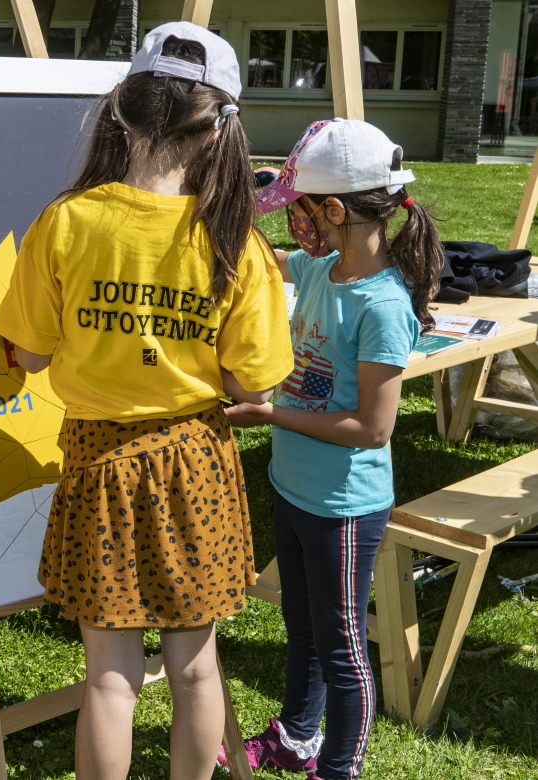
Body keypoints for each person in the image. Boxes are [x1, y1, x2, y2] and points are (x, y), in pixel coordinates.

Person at [0, 22, 293, 780]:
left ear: (121, 112)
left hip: (98, 463)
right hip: (196, 462)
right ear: (221, 125)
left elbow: (27, 354)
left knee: (109, 675)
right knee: (196, 668)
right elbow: (254, 383)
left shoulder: (66, 221)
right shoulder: (236, 242)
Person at [223, 119, 444, 780]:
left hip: (343, 507)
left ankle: (338, 768)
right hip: (295, 489)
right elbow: (260, 256)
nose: (293, 223)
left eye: (299, 209)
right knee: (303, 628)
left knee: (342, 644)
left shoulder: (381, 304)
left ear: (336, 210)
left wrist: (268, 413)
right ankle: (296, 737)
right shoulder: (323, 267)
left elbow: (373, 427)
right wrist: (234, 203)